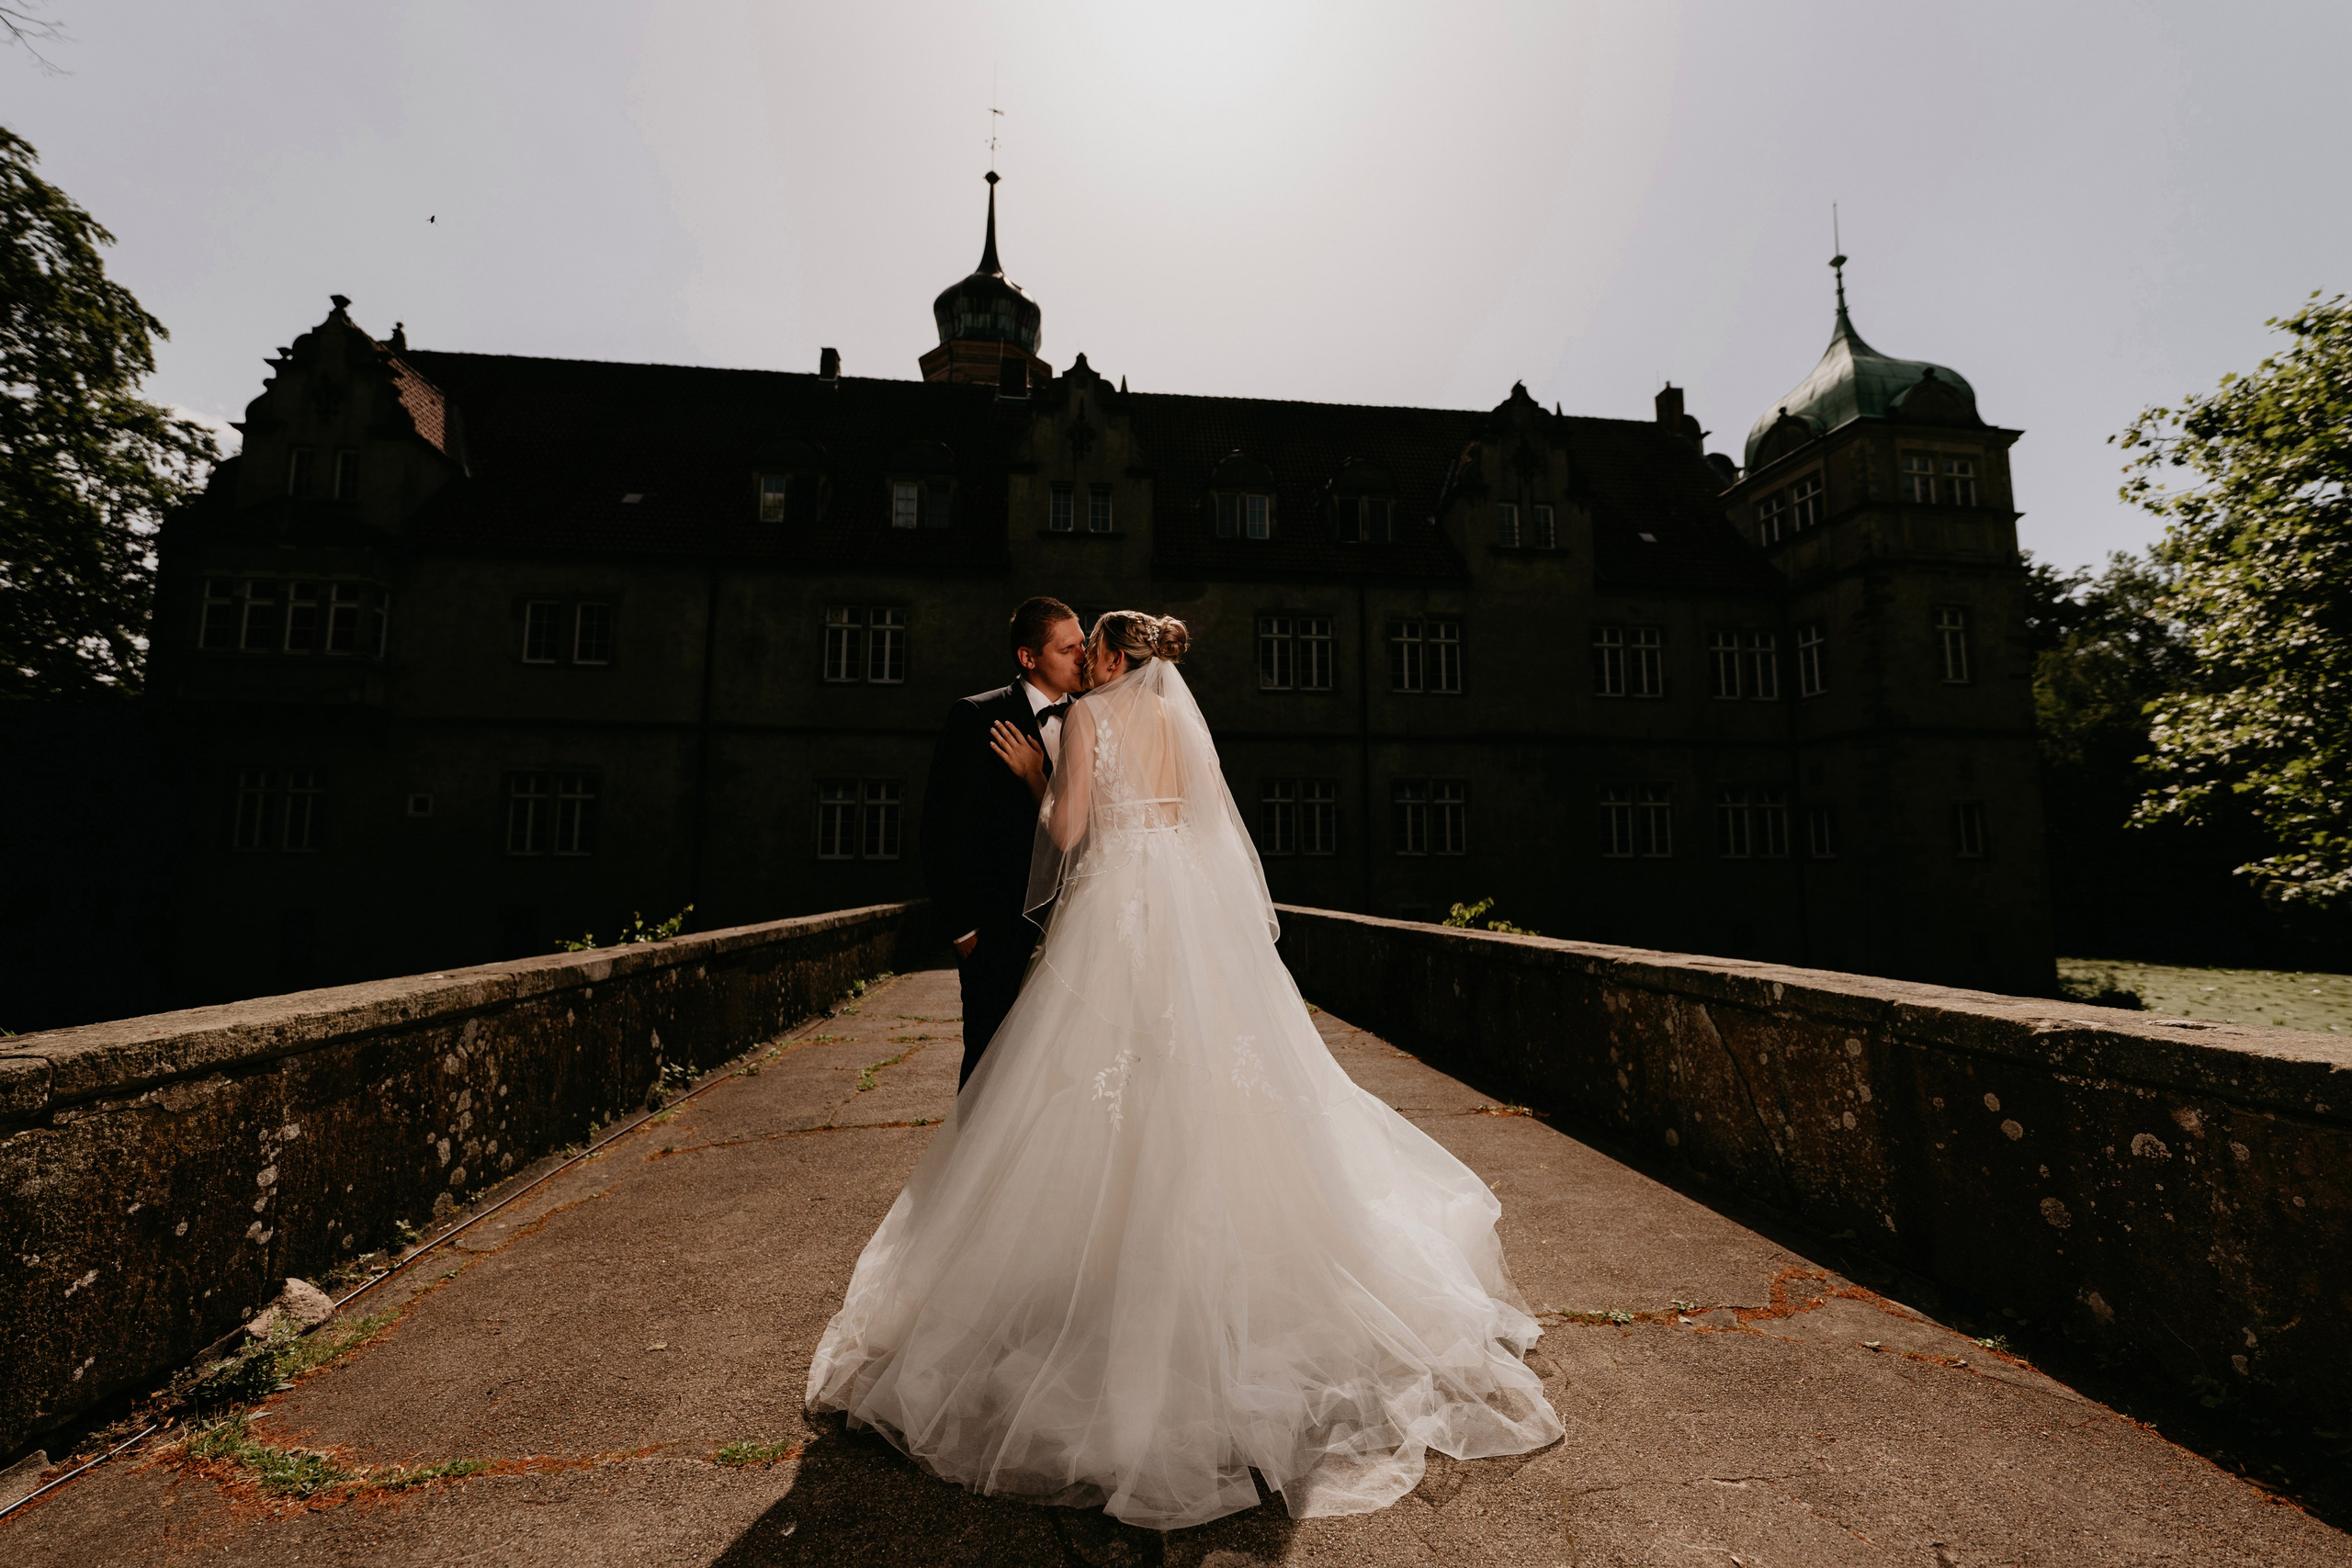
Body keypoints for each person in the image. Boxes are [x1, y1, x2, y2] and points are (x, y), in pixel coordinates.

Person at [808, 611, 1563, 1531]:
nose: (1081, 663)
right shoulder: (1176, 719)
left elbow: (1073, 831)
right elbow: (1201, 826)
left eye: (1091, 652)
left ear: (1112, 659)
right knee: (1214, 1083)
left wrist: (1040, 777)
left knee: (1092, 1088)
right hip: (1190, 917)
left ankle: (1108, 1279)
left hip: (1118, 914)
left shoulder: (1088, 718)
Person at [918, 596, 1087, 1089]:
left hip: (1076, 931)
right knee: (990, 1070)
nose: (1082, 656)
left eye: (1083, 645)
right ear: (1028, 658)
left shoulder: (1094, 719)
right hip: (997, 932)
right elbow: (941, 829)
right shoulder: (977, 716)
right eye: (1067, 648)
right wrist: (963, 930)